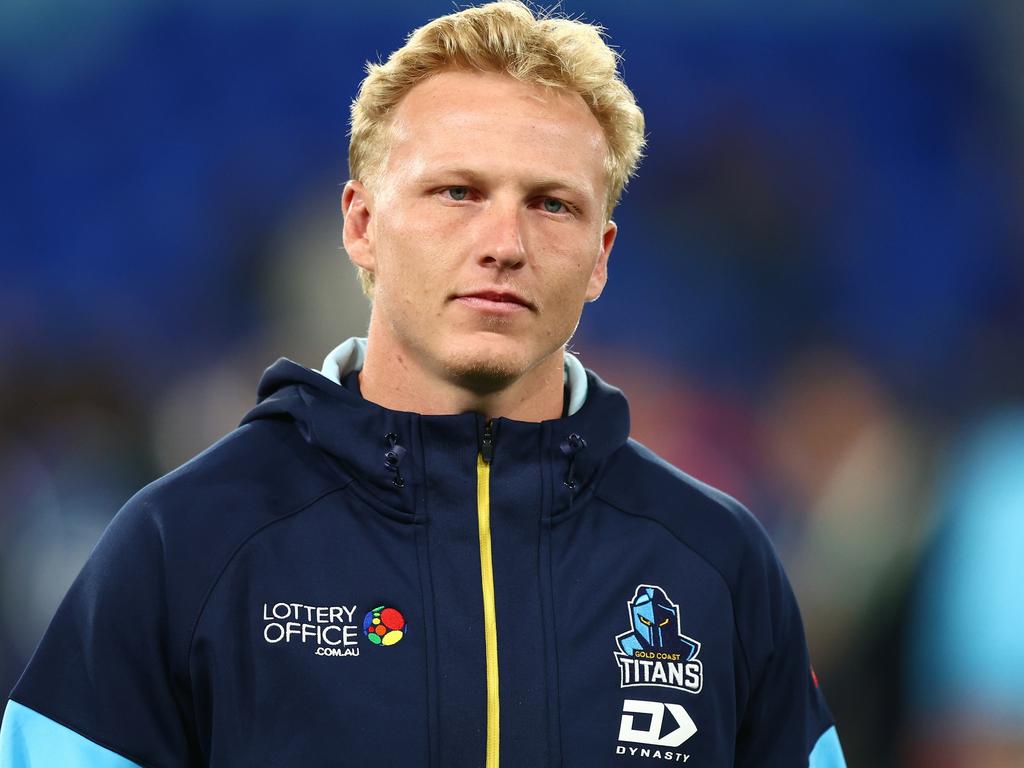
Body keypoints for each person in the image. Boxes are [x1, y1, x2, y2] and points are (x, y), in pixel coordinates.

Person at [0, 3, 847, 766]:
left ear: (602, 256)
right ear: (361, 225)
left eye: (552, 204)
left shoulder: (717, 564)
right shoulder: (183, 544)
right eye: (457, 192)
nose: (503, 242)